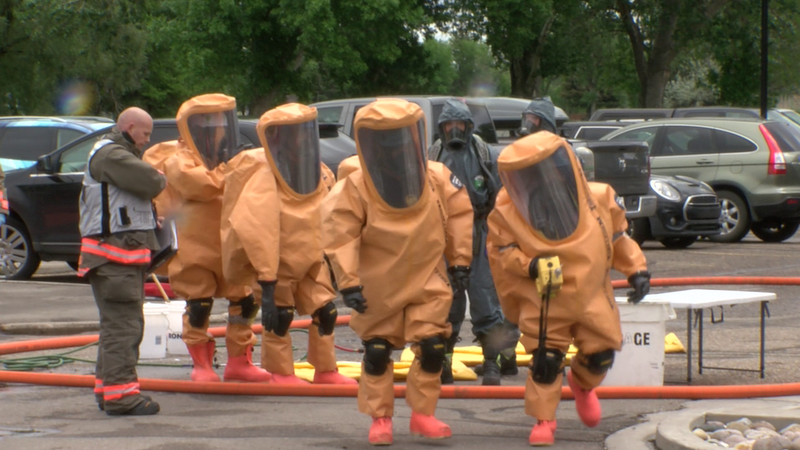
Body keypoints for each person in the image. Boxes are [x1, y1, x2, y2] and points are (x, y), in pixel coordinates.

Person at [321, 98, 473, 445]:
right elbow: (339, 234)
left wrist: (460, 262)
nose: (393, 149)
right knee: (377, 351)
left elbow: (460, 217)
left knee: (433, 347)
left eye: (399, 139)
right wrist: (349, 283)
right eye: (385, 141)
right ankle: (380, 418)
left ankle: (423, 414)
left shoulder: (436, 178)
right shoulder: (356, 186)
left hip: (427, 279)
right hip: (378, 284)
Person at [485, 130, 651, 445]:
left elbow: (618, 238)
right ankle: (544, 420)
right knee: (545, 362)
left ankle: (583, 385)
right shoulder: (507, 211)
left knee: (601, 356)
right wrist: (530, 265)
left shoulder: (599, 198)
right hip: (545, 298)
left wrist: (637, 271)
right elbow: (502, 252)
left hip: (591, 295)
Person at [220, 102, 355, 385]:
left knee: (327, 312)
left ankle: (325, 370)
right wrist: (267, 285)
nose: (301, 141)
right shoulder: (264, 179)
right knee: (279, 318)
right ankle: (280, 373)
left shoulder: (315, 173)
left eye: (304, 133)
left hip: (311, 261)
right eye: (294, 135)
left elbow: (331, 216)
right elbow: (257, 231)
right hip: (278, 266)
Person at [151, 93, 270, 384]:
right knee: (199, 304)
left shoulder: (229, 159)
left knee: (245, 303)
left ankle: (239, 362)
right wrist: (234, 168)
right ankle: (201, 365)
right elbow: (202, 185)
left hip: (230, 244)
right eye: (210, 125)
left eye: (221, 123)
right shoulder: (180, 160)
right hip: (196, 247)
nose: (217, 131)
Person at [77, 107, 166, 415]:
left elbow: (120, 205)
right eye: (145, 133)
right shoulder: (112, 155)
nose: (147, 140)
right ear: (130, 126)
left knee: (117, 327)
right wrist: (160, 177)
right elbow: (152, 181)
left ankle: (109, 391)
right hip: (114, 261)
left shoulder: (113, 155)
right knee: (124, 328)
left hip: (117, 260)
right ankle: (122, 397)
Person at [428, 98, 520, 386]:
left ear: (469, 126)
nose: (454, 130)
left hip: (481, 232)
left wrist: (502, 236)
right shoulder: (433, 155)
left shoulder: (485, 154)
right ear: (441, 127)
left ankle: (493, 362)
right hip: (445, 236)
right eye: (449, 125)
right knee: (447, 300)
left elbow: (502, 196)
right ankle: (443, 361)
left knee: (486, 298)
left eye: (460, 124)